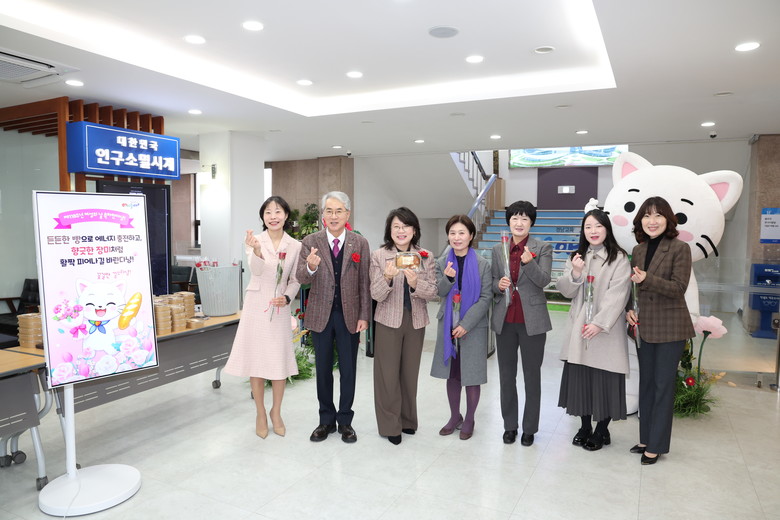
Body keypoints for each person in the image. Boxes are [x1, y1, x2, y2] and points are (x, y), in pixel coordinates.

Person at [296, 191, 371, 443]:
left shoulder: (359, 243)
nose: (334, 216)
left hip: (350, 315)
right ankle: (325, 420)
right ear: (323, 215)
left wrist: (364, 315)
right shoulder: (311, 241)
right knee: (323, 369)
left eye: (339, 211)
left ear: (347, 214)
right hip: (321, 315)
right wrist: (311, 266)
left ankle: (345, 421)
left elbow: (365, 282)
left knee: (348, 370)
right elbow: (301, 278)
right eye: (329, 211)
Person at [224, 196, 301, 439]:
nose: (273, 216)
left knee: (278, 361)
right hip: (256, 305)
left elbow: (295, 280)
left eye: (278, 211)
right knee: (256, 361)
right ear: (263, 217)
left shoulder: (295, 245)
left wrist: (287, 298)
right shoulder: (255, 240)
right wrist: (256, 251)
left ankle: (276, 412)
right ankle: (260, 413)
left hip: (279, 307)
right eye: (268, 212)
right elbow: (256, 271)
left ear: (286, 215)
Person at [626, 196, 695, 465]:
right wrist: (629, 310)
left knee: (663, 386)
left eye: (657, 215)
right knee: (646, 384)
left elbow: (678, 288)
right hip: (644, 327)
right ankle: (646, 439)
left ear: (668, 219)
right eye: (646, 215)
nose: (651, 221)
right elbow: (634, 288)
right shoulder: (639, 249)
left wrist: (648, 278)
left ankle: (656, 445)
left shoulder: (680, 248)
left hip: (670, 328)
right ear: (640, 221)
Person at [556, 208, 632, 451]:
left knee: (605, 380)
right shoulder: (576, 256)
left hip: (606, 330)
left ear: (607, 229)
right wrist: (576, 272)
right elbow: (566, 291)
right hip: (580, 329)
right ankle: (585, 426)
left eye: (598, 226)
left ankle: (601, 430)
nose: (593, 231)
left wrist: (599, 323)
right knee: (582, 381)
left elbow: (618, 294)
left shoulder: (619, 258)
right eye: (588, 227)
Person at [370, 207, 437, 445]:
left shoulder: (425, 256)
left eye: (406, 226)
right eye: (396, 226)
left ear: (414, 230)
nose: (401, 231)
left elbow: (433, 292)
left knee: (409, 374)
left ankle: (408, 420)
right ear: (390, 230)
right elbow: (376, 294)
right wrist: (387, 277)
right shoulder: (379, 256)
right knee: (387, 376)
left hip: (415, 321)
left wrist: (416, 283)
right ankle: (390, 425)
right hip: (388, 321)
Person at [491, 200, 552, 446]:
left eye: (524, 218)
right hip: (505, 320)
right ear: (509, 222)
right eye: (515, 218)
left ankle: (529, 428)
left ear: (531, 223)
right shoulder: (499, 249)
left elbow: (544, 280)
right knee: (506, 377)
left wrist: (530, 262)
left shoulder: (542, 247)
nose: (519, 223)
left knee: (531, 377)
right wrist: (498, 285)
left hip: (532, 322)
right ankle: (510, 426)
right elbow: (493, 281)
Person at [431, 214, 491, 440]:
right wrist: (447, 279)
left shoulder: (483, 264)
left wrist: (466, 324)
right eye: (452, 233)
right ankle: (454, 416)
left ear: (471, 235)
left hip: (473, 327)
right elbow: (438, 292)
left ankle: (470, 419)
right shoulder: (442, 262)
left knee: (472, 375)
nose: (457, 237)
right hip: (448, 324)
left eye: (461, 233)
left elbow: (486, 297)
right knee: (453, 374)